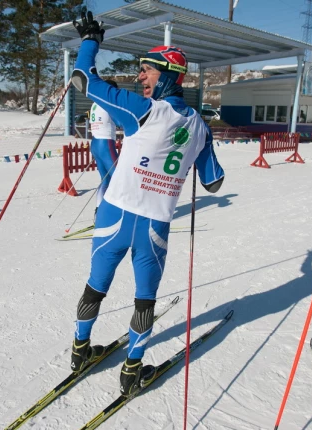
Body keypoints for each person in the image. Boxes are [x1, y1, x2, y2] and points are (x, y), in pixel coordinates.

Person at [69, 10, 225, 396]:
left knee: (95, 287)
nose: (140, 77)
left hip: (114, 216)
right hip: (153, 227)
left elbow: (83, 80)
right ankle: (131, 372)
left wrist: (91, 39)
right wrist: (193, 147)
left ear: (169, 75)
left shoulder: (145, 109)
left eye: (147, 71)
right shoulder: (200, 127)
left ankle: (80, 351)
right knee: (144, 299)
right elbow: (215, 182)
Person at [89, 79, 119, 215]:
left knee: (105, 179)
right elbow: (119, 121)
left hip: (95, 142)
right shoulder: (108, 102)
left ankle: (99, 211)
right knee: (119, 177)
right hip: (105, 143)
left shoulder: (95, 103)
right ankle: (122, 213)